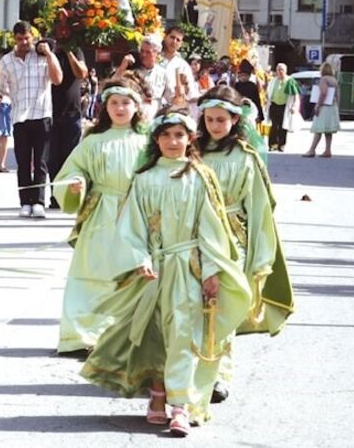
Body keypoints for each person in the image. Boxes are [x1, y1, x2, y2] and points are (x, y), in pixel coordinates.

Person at [79, 109, 252, 437]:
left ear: (190, 139)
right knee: (154, 334)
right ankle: (157, 395)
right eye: (166, 136)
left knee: (183, 334)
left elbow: (211, 228)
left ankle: (180, 406)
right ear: (156, 140)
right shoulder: (144, 179)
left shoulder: (200, 177)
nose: (173, 142)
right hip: (154, 270)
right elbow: (131, 225)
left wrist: (211, 271)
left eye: (179, 136)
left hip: (188, 269)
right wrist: (139, 257)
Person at [195, 86, 293, 402]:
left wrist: (260, 254)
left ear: (235, 120)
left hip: (232, 240)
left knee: (223, 306)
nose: (214, 125)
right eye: (209, 119)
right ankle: (189, 369)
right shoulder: (191, 151)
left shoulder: (246, 157)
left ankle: (219, 374)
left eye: (221, 119)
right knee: (193, 305)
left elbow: (260, 207)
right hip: (193, 238)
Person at [51, 79, 148, 354]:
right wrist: (76, 182)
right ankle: (82, 335)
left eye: (125, 102)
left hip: (137, 212)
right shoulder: (93, 141)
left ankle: (123, 337)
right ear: (105, 107)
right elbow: (74, 168)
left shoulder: (148, 141)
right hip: (101, 213)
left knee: (131, 273)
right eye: (114, 103)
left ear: (136, 106)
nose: (120, 108)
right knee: (92, 271)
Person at [0, 21, 63, 218]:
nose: (24, 42)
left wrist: (49, 54)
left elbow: (57, 79)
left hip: (41, 114)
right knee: (23, 162)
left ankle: (39, 201)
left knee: (41, 161)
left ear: (32, 37)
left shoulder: (42, 56)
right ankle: (25, 202)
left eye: (27, 38)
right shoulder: (7, 61)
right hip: (19, 116)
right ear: (14, 39)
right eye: (20, 39)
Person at [48, 44, 89, 208]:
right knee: (52, 159)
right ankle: (55, 196)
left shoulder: (76, 50)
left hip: (72, 113)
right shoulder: (48, 49)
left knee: (70, 157)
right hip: (50, 113)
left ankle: (68, 196)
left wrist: (69, 52)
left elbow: (82, 73)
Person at [113, 34, 168, 121]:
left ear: (157, 54)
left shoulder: (163, 73)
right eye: (142, 51)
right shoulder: (132, 71)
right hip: (133, 119)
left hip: (154, 120)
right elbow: (112, 85)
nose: (143, 55)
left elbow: (171, 98)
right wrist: (123, 66)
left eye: (148, 52)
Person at [302, 63, 340, 158]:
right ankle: (328, 150)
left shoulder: (324, 79)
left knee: (318, 129)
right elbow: (337, 95)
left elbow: (323, 92)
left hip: (324, 107)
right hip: (332, 106)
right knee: (328, 130)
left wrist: (318, 105)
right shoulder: (334, 80)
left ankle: (312, 150)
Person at [265, 63, 300, 152]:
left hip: (285, 106)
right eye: (278, 70)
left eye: (282, 70)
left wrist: (295, 106)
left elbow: (296, 95)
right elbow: (268, 93)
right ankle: (273, 144)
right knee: (274, 126)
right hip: (274, 105)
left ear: (285, 71)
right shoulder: (273, 81)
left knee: (283, 126)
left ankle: (282, 145)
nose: (280, 72)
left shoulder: (290, 81)